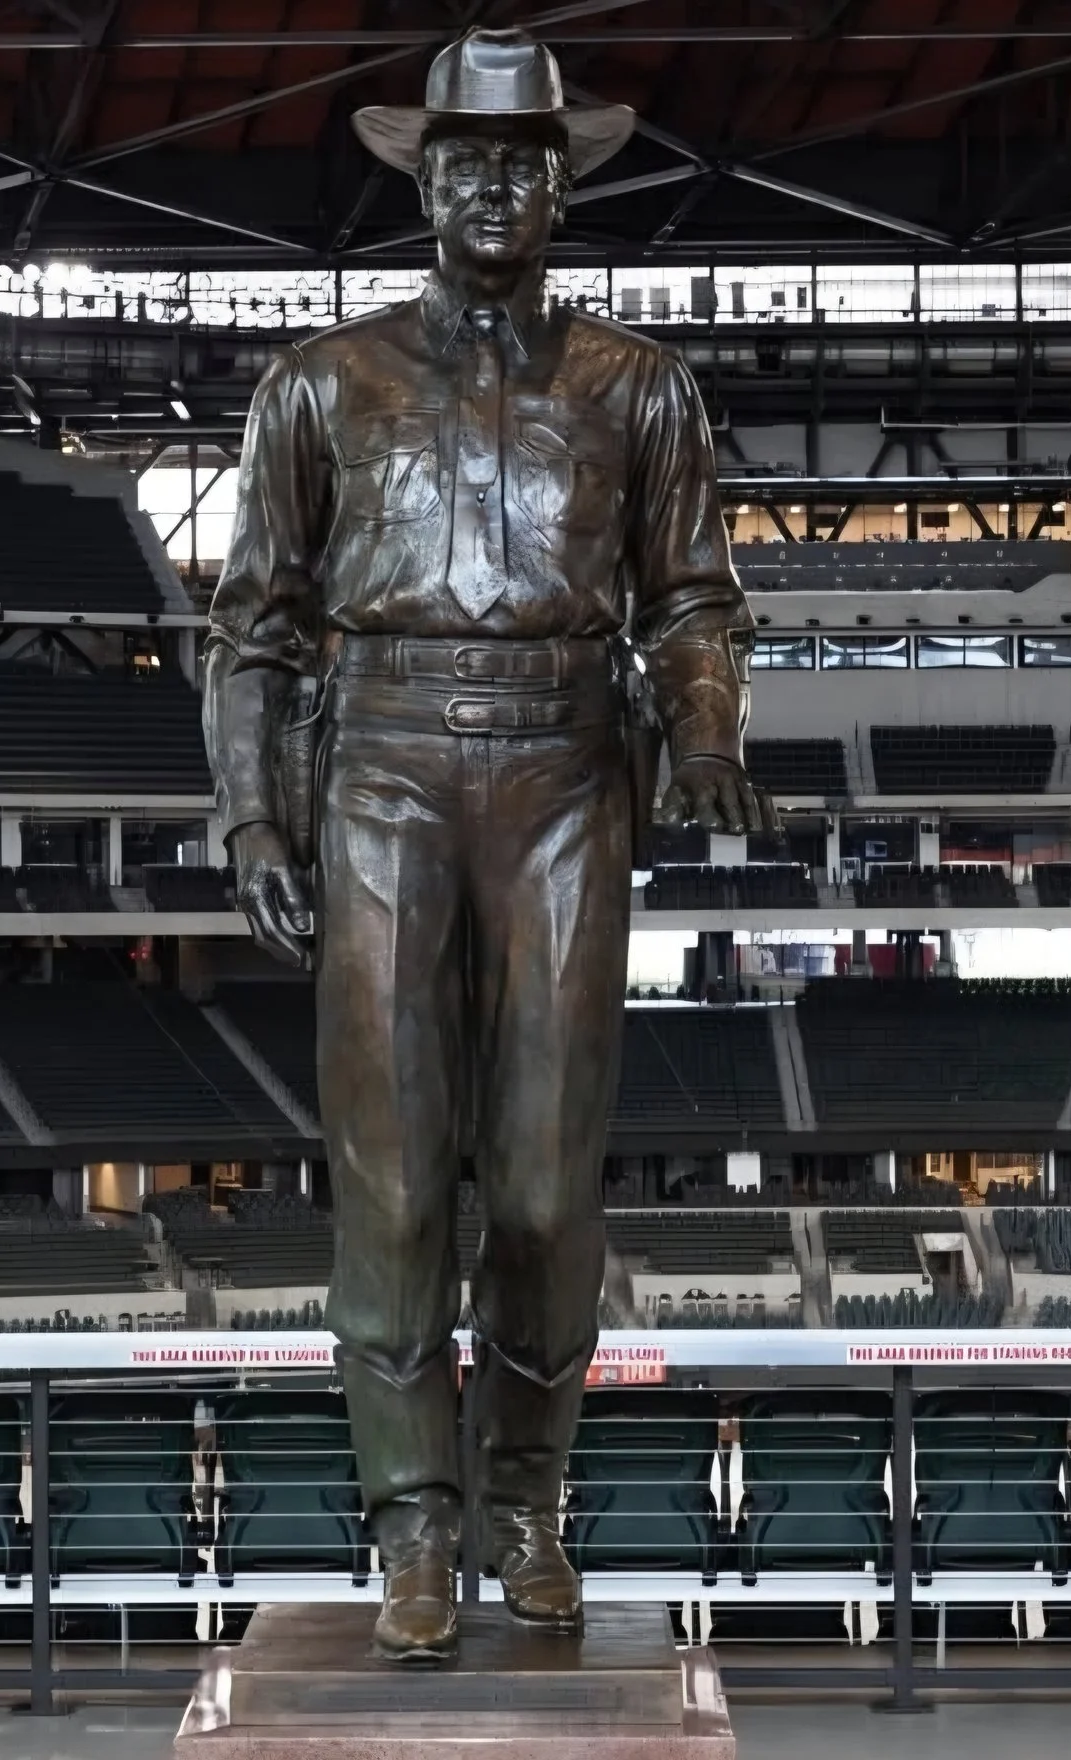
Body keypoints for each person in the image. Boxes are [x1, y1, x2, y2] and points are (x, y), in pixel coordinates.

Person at [203, 26, 766, 1664]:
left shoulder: (641, 386)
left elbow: (695, 598)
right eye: (467, 162)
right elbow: (253, 628)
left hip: (569, 775)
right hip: (378, 768)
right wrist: (253, 811)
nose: (495, 186)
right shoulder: (322, 383)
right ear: (425, 180)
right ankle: (412, 1529)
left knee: (539, 1184)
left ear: (562, 186)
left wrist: (708, 732)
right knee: (389, 1187)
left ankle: (526, 1505)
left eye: (524, 162)